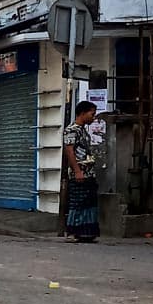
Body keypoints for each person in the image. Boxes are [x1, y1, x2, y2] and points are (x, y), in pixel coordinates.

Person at [63, 101, 99, 243]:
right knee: (77, 202)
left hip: (88, 172)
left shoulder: (83, 130)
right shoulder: (72, 129)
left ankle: (86, 232)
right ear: (83, 113)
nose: (93, 117)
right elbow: (70, 151)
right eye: (92, 114)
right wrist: (77, 170)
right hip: (79, 172)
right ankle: (72, 232)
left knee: (88, 202)